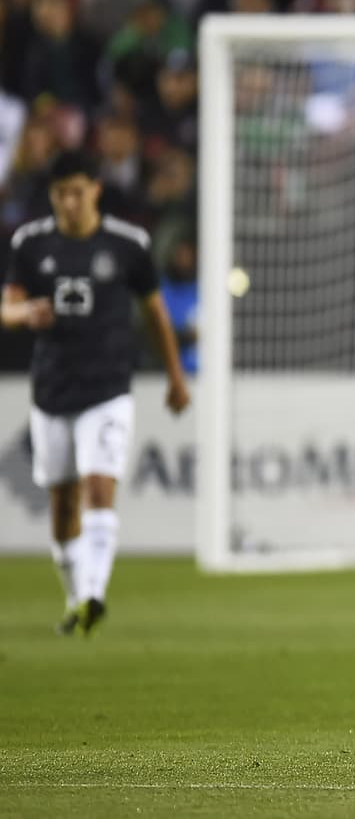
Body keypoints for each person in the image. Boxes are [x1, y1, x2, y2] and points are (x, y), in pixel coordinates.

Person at [1, 150, 190, 636]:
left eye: (78, 192)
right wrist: (25, 314)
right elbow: (8, 307)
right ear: (51, 195)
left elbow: (155, 313)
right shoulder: (30, 243)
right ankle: (74, 596)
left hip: (108, 389)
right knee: (63, 503)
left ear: (96, 190)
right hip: (52, 390)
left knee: (100, 486)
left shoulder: (128, 244)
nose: (70, 202)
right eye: (61, 194)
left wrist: (175, 376)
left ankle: (94, 592)